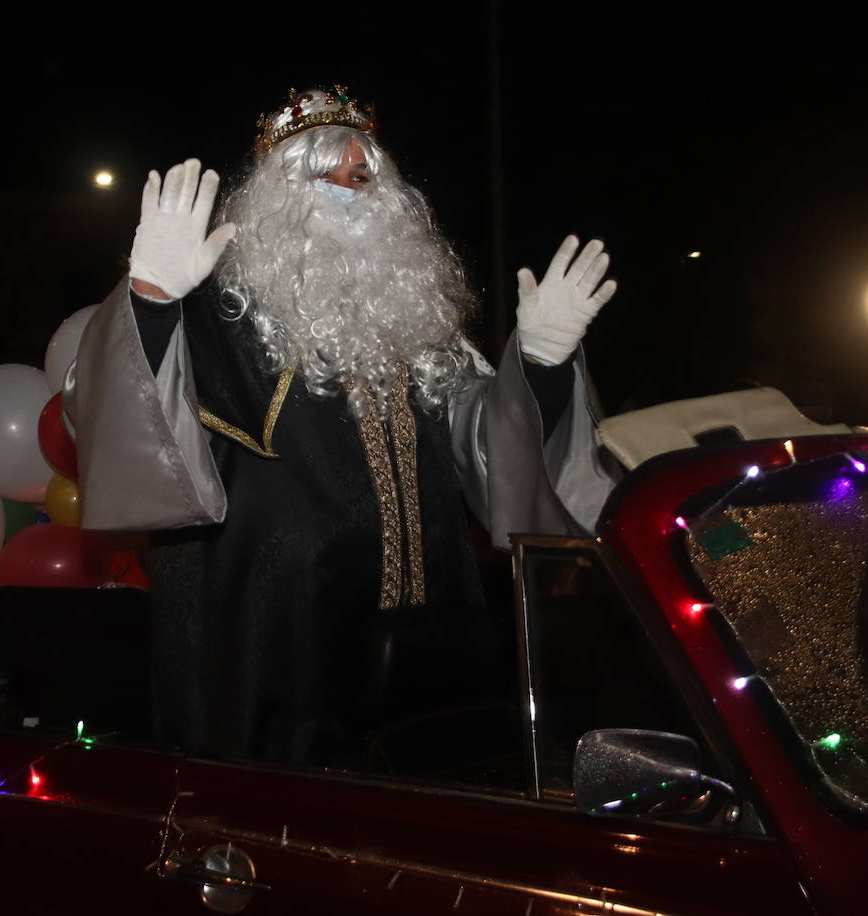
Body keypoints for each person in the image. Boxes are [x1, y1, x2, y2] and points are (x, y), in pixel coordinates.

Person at [67, 87, 619, 765]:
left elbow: (492, 449)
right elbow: (116, 422)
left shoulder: (419, 323)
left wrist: (539, 363)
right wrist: (153, 304)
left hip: (434, 644)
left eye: (362, 176)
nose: (348, 193)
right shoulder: (218, 314)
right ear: (274, 198)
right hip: (277, 643)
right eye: (318, 177)